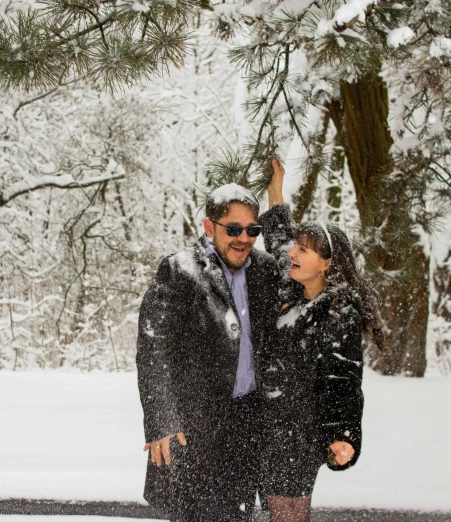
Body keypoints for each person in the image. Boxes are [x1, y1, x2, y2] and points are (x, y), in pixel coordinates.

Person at [136, 184, 281, 522]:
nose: (243, 238)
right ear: (208, 227)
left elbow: (304, 261)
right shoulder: (179, 271)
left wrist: (278, 197)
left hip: (247, 429)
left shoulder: (265, 269)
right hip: (193, 431)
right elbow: (153, 350)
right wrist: (161, 421)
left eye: (252, 230)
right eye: (233, 229)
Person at [259, 159, 384, 522]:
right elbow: (280, 238)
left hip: (299, 433)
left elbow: (343, 381)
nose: (291, 253)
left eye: (304, 250)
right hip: (269, 426)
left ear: (326, 264)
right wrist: (276, 190)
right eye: (296, 246)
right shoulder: (293, 285)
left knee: (287, 513)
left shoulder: (337, 314)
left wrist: (343, 435)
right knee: (276, 511)